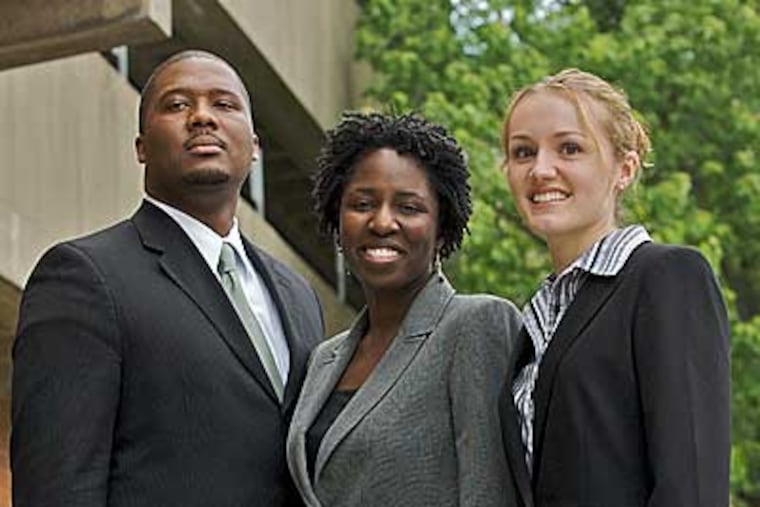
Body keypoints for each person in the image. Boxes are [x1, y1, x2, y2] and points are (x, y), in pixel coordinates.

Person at [11, 50, 324, 506]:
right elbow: (56, 485)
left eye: (224, 104)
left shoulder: (299, 297)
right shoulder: (83, 277)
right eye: (177, 105)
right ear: (141, 146)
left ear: (254, 146)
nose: (202, 117)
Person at [497, 68, 730, 507]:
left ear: (624, 169)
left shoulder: (666, 278)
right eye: (523, 152)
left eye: (570, 148)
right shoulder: (533, 322)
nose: (540, 169)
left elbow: (692, 488)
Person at [286, 112, 522, 507]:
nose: (381, 222)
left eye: (409, 207)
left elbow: (491, 492)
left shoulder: (475, 325)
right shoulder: (322, 360)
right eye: (362, 203)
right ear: (337, 221)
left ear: (442, 228)